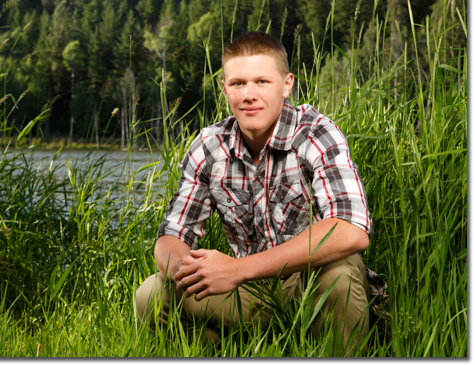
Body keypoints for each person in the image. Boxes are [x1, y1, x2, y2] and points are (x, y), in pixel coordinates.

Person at [136, 31, 373, 355]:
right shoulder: (209, 145)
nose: (249, 94)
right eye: (238, 83)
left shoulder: (315, 132)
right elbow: (172, 235)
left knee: (339, 273)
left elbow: (350, 231)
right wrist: (185, 269)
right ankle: (238, 352)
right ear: (224, 88)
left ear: (286, 84)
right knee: (153, 292)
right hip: (245, 293)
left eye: (262, 81)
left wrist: (238, 269)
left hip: (309, 287)